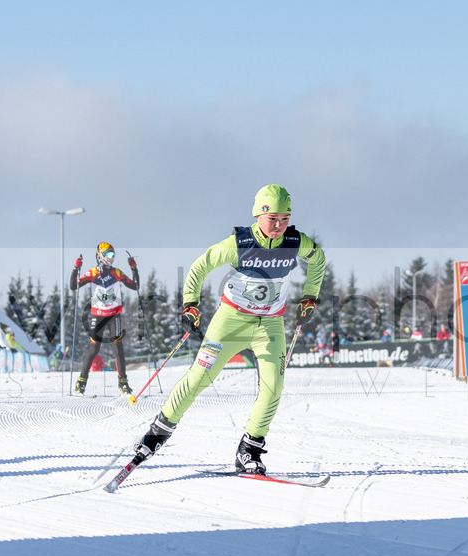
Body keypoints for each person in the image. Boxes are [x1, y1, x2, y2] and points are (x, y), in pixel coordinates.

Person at [132, 184, 326, 475]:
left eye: (285, 218)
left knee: (273, 386)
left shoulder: (297, 241)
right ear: (258, 215)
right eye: (273, 218)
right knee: (199, 377)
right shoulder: (239, 243)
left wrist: (310, 296)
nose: (279, 225)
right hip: (231, 322)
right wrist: (190, 304)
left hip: (270, 325)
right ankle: (157, 432)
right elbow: (200, 267)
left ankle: (250, 448)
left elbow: (319, 259)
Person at [70, 243, 140, 394]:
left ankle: (123, 383)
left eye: (113, 255)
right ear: (100, 255)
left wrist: (134, 269)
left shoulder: (117, 273)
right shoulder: (93, 273)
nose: (112, 258)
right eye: (108, 255)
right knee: (94, 348)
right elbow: (73, 286)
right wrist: (76, 269)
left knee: (118, 348)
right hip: (98, 315)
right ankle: (81, 382)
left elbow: (135, 286)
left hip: (114, 315)